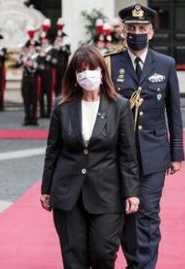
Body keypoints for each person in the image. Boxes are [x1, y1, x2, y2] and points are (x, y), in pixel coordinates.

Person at [41, 45, 139, 269]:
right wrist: (46, 189)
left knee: (103, 252)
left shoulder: (119, 106)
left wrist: (131, 192)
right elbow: (52, 151)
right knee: (73, 255)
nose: (87, 74)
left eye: (92, 68)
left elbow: (127, 154)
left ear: (102, 71)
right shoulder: (62, 107)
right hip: (68, 192)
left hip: (106, 192)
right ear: (74, 75)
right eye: (81, 70)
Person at [105, 3, 184, 269]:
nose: (136, 33)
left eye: (141, 28)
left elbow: (174, 112)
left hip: (153, 153)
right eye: (131, 28)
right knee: (127, 214)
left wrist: (176, 153)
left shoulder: (166, 64)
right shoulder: (110, 63)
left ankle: (144, 266)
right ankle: (133, 263)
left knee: (149, 214)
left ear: (151, 32)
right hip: (118, 154)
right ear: (123, 31)